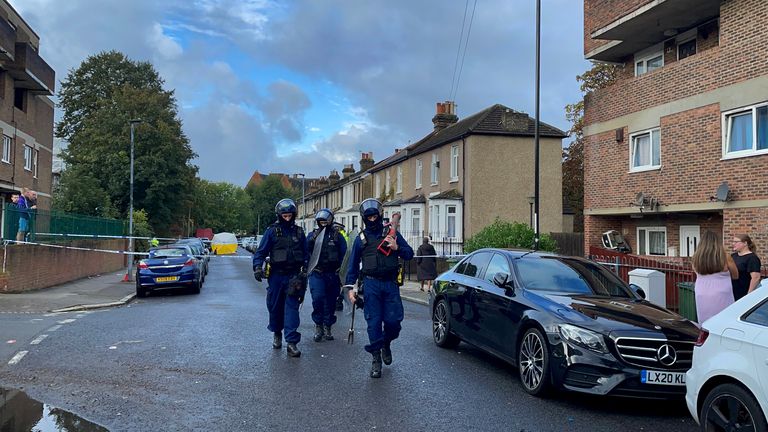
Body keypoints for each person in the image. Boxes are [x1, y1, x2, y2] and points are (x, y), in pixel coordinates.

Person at [345, 198, 413, 378]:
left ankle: (386, 342)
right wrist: (350, 289)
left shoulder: (392, 234)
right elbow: (352, 267)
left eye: (375, 216)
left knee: (393, 323)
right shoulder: (360, 240)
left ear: (379, 215)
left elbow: (410, 254)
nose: (373, 220)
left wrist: (397, 247)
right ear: (364, 218)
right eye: (369, 217)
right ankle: (376, 358)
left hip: (390, 284)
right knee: (373, 323)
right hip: (371, 284)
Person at [253, 198, 308, 358]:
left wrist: (305, 268)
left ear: (294, 214)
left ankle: (291, 342)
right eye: (284, 215)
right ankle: (277, 331)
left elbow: (306, 254)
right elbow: (261, 252)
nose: (287, 217)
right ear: (279, 215)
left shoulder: (299, 232)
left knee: (292, 308)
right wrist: (257, 267)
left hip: (294, 276)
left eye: (289, 214)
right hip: (276, 276)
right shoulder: (272, 231)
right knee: (275, 307)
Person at [306, 208, 347, 342]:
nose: (323, 224)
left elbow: (345, 256)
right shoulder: (312, 236)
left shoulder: (337, 236)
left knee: (330, 302)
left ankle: (328, 326)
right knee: (317, 299)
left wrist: (342, 274)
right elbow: (304, 253)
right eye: (321, 222)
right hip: (317, 273)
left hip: (332, 274)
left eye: (325, 221)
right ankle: (318, 325)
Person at [693, 231, 738, 323]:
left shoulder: (696, 257)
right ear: (717, 242)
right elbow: (735, 275)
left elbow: (696, 272)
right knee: (725, 320)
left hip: (701, 292)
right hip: (722, 292)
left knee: (705, 321)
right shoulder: (725, 256)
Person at [731, 234, 762, 300]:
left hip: (744, 294)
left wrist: (748, 296)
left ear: (745, 243)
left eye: (736, 242)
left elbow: (755, 278)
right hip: (732, 293)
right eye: (733, 242)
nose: (733, 244)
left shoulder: (752, 258)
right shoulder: (733, 256)